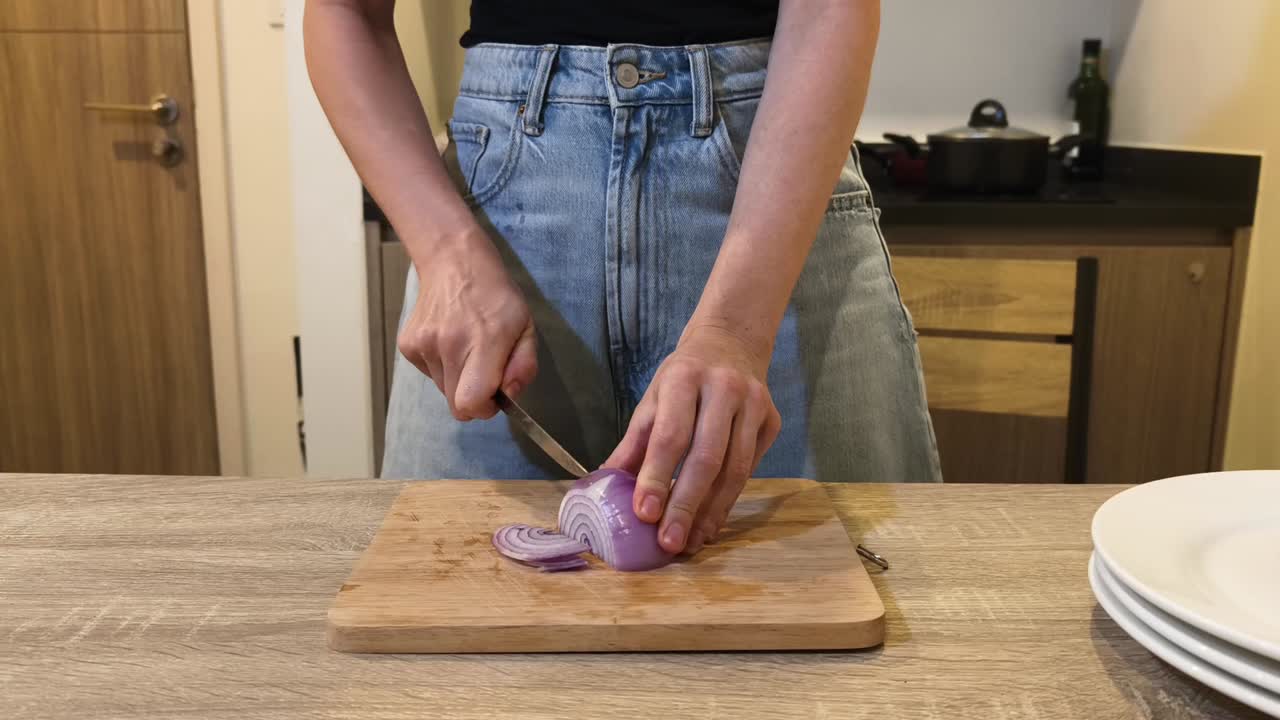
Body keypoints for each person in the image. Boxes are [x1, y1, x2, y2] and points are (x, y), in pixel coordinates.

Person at [304, 0, 941, 557]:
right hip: (501, 224)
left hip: (776, 196)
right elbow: (344, 12)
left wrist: (736, 330)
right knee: (449, 626)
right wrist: (447, 254)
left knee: (851, 623)